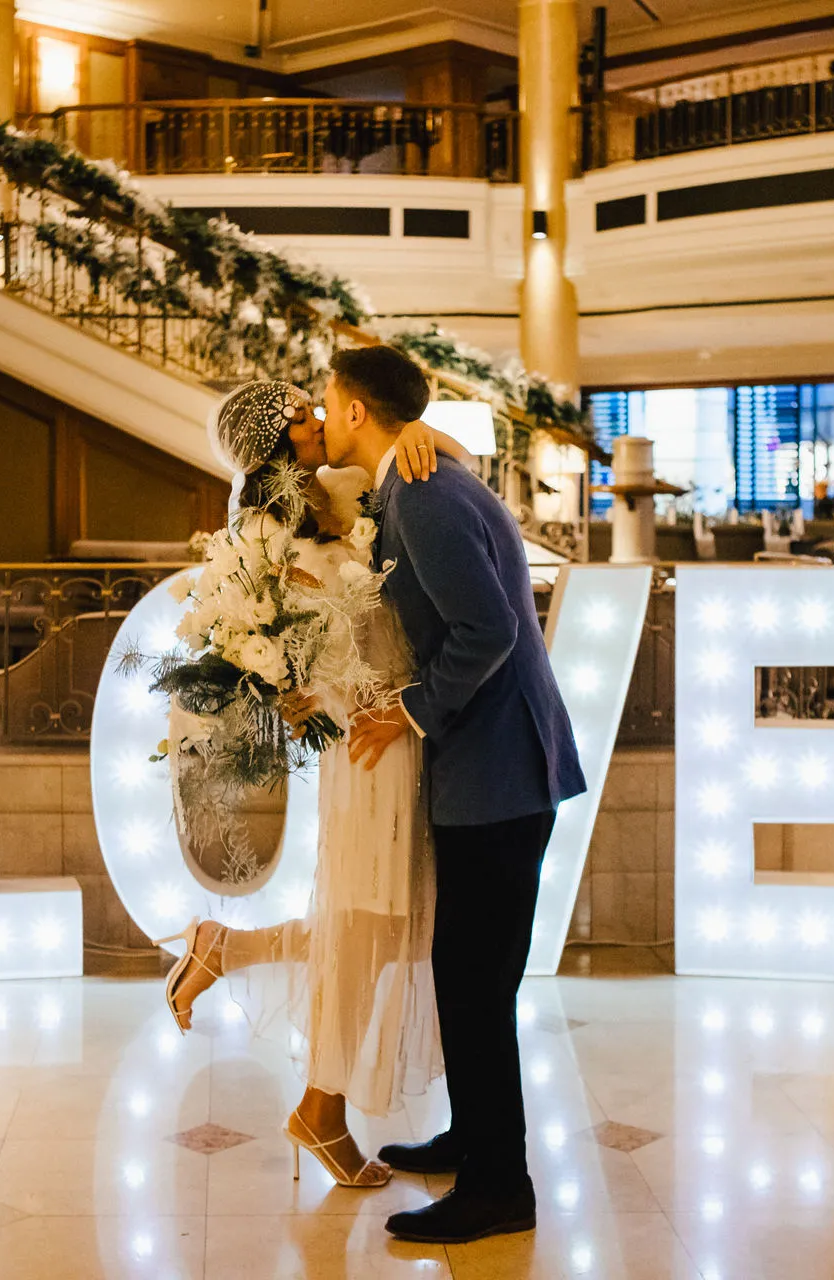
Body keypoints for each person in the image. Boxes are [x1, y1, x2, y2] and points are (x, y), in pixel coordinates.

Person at [156, 378, 467, 1189]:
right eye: (303, 413)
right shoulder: (263, 539)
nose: (321, 417)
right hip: (367, 736)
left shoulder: (348, 485)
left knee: (392, 927)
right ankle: (320, 1111)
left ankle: (230, 952)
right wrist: (292, 688)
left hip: (403, 722)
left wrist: (420, 434)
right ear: (278, 442)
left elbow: (453, 467)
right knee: (379, 925)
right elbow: (277, 646)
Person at [324, 345, 587, 1245]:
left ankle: (499, 1187)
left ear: (356, 410)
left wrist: (410, 712)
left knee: (475, 985)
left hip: (500, 773)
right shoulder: (416, 482)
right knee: (469, 976)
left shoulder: (426, 495)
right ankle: (472, 1139)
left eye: (327, 400)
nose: (322, 414)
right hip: (495, 769)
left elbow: (489, 629)